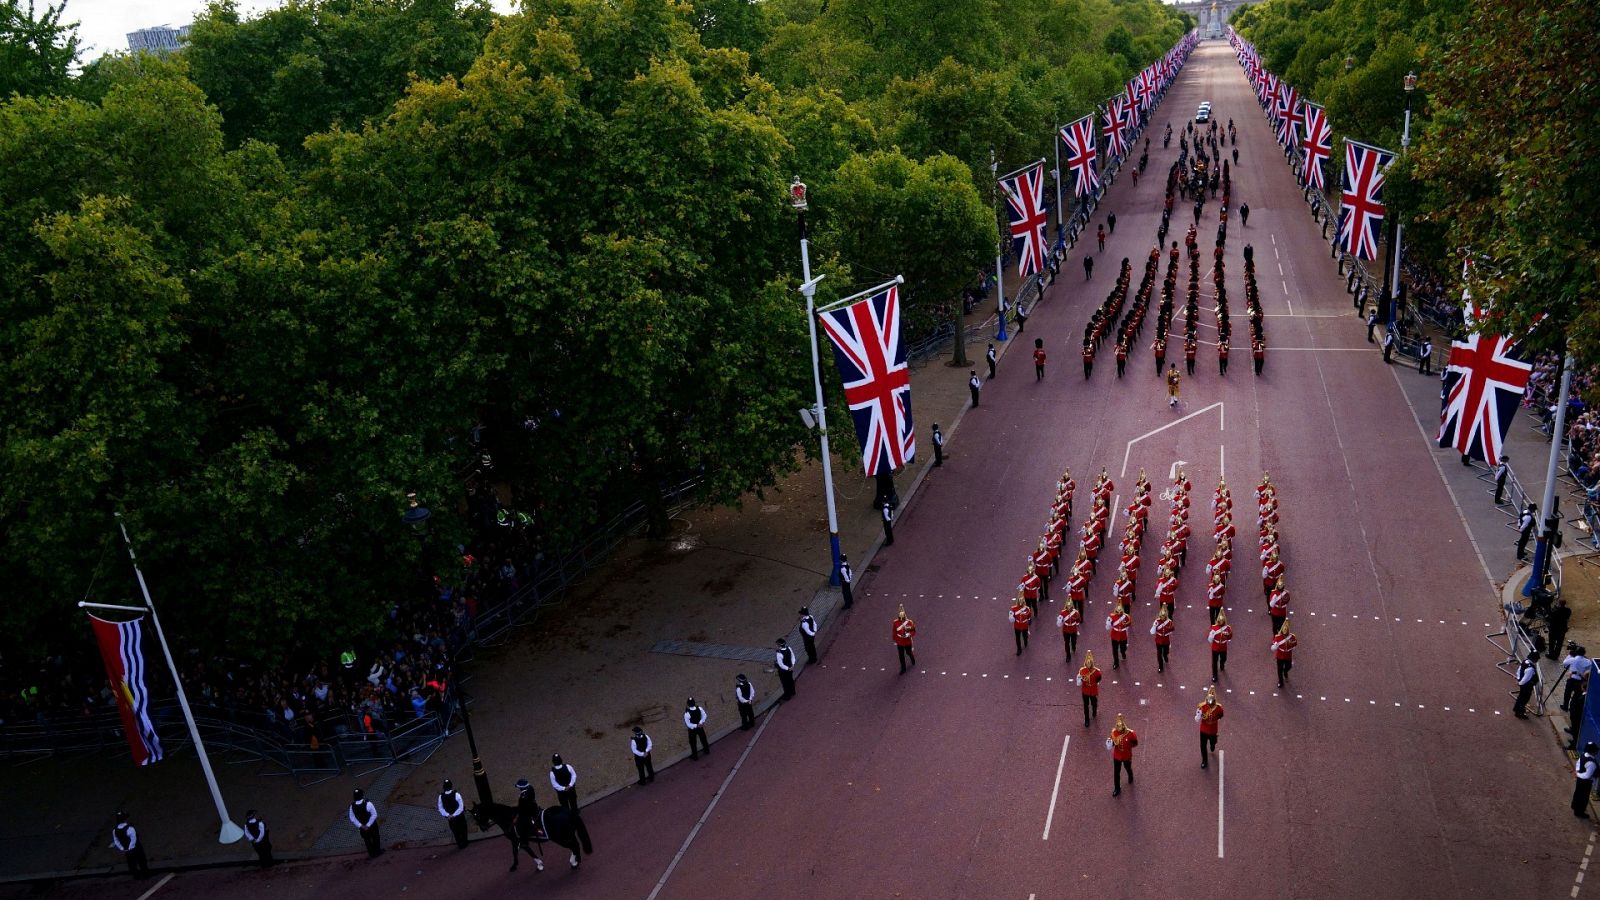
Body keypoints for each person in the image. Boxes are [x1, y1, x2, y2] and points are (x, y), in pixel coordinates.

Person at [111, 811, 150, 878]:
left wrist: (122, 848)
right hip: (136, 848)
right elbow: (133, 839)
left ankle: (136, 875)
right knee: (141, 860)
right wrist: (131, 847)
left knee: (132, 863)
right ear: (125, 819)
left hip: (126, 849)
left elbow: (116, 841)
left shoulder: (115, 830)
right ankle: (145, 874)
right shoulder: (130, 828)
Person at [1108, 714, 1138, 797]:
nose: (1119, 730)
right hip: (1117, 756)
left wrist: (1129, 746)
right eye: (1117, 727)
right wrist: (1110, 743)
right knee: (1116, 772)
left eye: (1120, 728)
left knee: (1127, 768)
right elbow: (1111, 743)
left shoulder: (1131, 733)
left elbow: (1135, 743)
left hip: (1127, 755)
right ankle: (1117, 788)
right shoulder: (1114, 732)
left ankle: (1130, 775)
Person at [349, 789, 382, 858]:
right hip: (372, 825)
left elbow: (352, 818)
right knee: (376, 837)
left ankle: (372, 854)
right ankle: (378, 851)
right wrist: (368, 825)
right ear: (362, 795)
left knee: (367, 840)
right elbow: (374, 814)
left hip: (362, 827)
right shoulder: (368, 803)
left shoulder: (352, 806)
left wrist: (360, 825)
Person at [1197, 687, 1224, 769]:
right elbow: (1198, 717)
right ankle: (1204, 760)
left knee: (1213, 742)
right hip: (1204, 729)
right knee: (1202, 745)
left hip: (1212, 729)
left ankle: (1213, 744)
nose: (1209, 704)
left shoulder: (1218, 708)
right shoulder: (1202, 706)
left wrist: (1215, 719)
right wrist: (1198, 715)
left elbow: (1221, 715)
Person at [1561, 645, 1591, 712]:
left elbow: (1564, 663)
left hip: (1571, 679)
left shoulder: (1572, 659)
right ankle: (1572, 708)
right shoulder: (1587, 661)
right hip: (1580, 681)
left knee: (1567, 694)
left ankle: (1565, 706)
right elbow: (1589, 668)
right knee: (1576, 696)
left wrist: (1570, 655)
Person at [1078, 652, 1103, 727]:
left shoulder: (1097, 671)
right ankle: (1087, 719)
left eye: (1090, 663)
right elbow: (1078, 682)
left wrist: (1094, 683)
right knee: (1086, 705)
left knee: (1094, 703)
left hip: (1093, 689)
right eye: (1087, 663)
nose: (1088, 664)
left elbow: (1099, 678)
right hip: (1085, 690)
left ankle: (1094, 711)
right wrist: (1082, 680)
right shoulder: (1082, 670)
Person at [1575, 743, 1598, 819]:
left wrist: (1577, 772)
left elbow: (1578, 764)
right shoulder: (1591, 763)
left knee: (1577, 793)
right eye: (1596, 750)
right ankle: (1579, 812)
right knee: (1584, 797)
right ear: (1593, 751)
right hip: (1586, 782)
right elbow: (1587, 775)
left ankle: (1574, 805)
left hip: (1580, 779)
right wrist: (1578, 775)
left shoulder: (1583, 755)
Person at [1208, 611, 1233, 683]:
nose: (1221, 622)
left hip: (1223, 646)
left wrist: (1227, 636)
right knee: (1214, 662)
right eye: (1220, 621)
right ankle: (1214, 675)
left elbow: (1230, 637)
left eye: (1222, 621)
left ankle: (1222, 664)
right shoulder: (1213, 628)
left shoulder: (1228, 628)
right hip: (1215, 647)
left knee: (1224, 658)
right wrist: (1211, 635)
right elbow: (1210, 639)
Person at [1513, 651, 1538, 718]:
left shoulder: (1525, 661)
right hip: (1527, 686)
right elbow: (1526, 678)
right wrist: (1520, 683)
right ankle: (1519, 713)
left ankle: (1516, 708)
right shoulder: (1530, 668)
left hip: (1523, 684)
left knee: (1521, 696)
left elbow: (1519, 670)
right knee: (1524, 699)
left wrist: (1518, 679)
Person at [1272, 622, 1298, 688]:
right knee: (1279, 669)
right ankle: (1281, 682)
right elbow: (1273, 648)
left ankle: (1285, 671)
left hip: (1288, 656)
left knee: (1288, 667)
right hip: (1280, 656)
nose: (1285, 633)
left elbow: (1295, 644)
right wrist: (1275, 646)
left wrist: (1291, 644)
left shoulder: (1292, 636)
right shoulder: (1278, 637)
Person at [1106, 602, 1131, 669]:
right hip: (1114, 635)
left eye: (1120, 612)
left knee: (1123, 648)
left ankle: (1123, 652)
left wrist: (1125, 625)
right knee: (1115, 650)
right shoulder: (1111, 616)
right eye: (1118, 611)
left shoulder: (1126, 616)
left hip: (1123, 635)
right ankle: (1116, 663)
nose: (1119, 613)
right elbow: (1108, 626)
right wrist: (1108, 623)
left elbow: (1129, 623)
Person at [892, 606, 917, 673]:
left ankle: (912, 657)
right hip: (900, 642)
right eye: (900, 615)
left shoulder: (909, 622)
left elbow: (913, 631)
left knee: (908, 652)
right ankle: (903, 668)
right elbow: (894, 631)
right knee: (901, 655)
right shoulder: (895, 622)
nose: (901, 617)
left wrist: (909, 635)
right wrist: (895, 639)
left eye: (902, 615)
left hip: (907, 641)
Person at [1152, 604, 1175, 673]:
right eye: (1161, 616)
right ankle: (1160, 666)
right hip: (1158, 639)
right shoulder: (1156, 621)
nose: (1162, 617)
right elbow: (1152, 632)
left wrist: (1167, 632)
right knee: (1159, 654)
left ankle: (1165, 655)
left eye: (1164, 616)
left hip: (1166, 640)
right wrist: (1154, 626)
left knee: (1166, 651)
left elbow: (1172, 629)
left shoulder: (1169, 622)